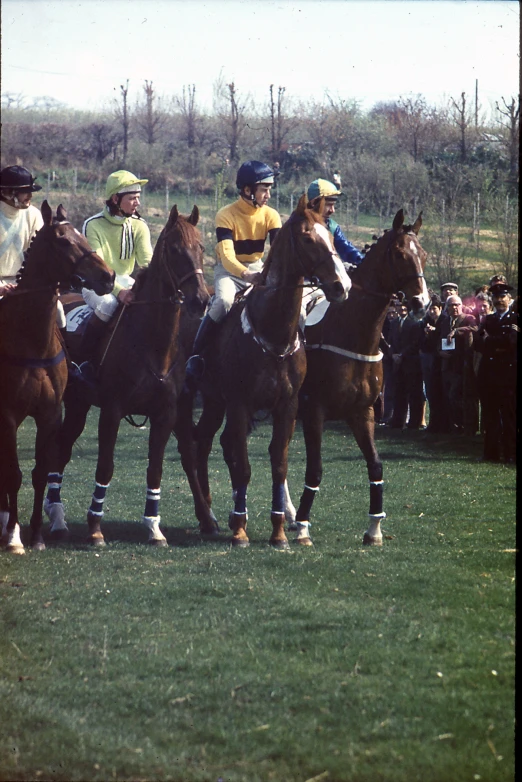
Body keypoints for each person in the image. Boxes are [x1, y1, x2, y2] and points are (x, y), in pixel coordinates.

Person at [185, 160, 281, 384]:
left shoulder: (272, 215)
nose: (268, 195)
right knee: (224, 301)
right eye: (264, 190)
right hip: (229, 271)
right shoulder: (225, 214)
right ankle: (196, 355)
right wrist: (246, 275)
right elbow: (227, 256)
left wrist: (269, 273)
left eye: (269, 190)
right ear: (248, 190)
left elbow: (276, 253)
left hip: (258, 268)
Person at [78, 170, 153, 376]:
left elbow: (147, 264)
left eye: (138, 198)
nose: (137, 203)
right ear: (115, 199)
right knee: (108, 304)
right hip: (96, 285)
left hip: (126, 280)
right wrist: (119, 291)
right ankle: (84, 363)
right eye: (132, 198)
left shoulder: (140, 225)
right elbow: (98, 270)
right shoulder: (92, 225)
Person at [473, 279, 518, 462]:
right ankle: (490, 453)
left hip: (508, 375)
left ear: (509, 299)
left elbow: (512, 343)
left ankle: (510, 453)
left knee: (509, 415)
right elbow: (478, 344)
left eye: (502, 297)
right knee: (490, 415)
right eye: (496, 298)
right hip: (489, 374)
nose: (499, 301)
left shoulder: (515, 319)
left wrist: (491, 340)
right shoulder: (488, 319)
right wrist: (498, 341)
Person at [0, 165, 44, 296]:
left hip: (21, 283)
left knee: (57, 309)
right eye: (25, 191)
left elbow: (39, 254)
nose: (30, 195)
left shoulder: (34, 214)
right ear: (7, 192)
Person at [437, 294, 477, 433]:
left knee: (457, 395)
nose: (454, 307)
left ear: (461, 305)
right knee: (448, 396)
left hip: (461, 364)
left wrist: (457, 330)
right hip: (446, 365)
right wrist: (440, 352)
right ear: (446, 308)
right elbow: (439, 340)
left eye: (457, 304)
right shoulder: (444, 321)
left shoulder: (468, 318)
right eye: (451, 305)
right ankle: (453, 425)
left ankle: (464, 424)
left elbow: (474, 329)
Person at [306, 179, 363, 267]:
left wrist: (363, 260)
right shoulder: (298, 228)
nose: (332, 210)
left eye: (333, 205)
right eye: (328, 205)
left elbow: (346, 248)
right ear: (314, 203)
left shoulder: (332, 227)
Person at [388, 300, 425, 429]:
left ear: (408, 309)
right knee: (399, 393)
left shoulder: (415, 323)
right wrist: (393, 354)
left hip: (411, 362)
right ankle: (398, 421)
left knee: (414, 393)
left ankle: (414, 423)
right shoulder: (393, 323)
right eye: (399, 307)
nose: (401, 309)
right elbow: (390, 341)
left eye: (404, 307)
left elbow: (415, 343)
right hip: (397, 363)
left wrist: (402, 355)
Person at [420, 295, 447, 433]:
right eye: (430, 309)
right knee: (431, 392)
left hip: (442, 361)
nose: (431, 312)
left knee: (441, 393)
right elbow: (423, 344)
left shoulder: (444, 321)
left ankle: (444, 424)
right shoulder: (426, 322)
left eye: (434, 309)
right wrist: (426, 334)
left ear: (440, 308)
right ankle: (434, 423)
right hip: (430, 361)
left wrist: (435, 332)